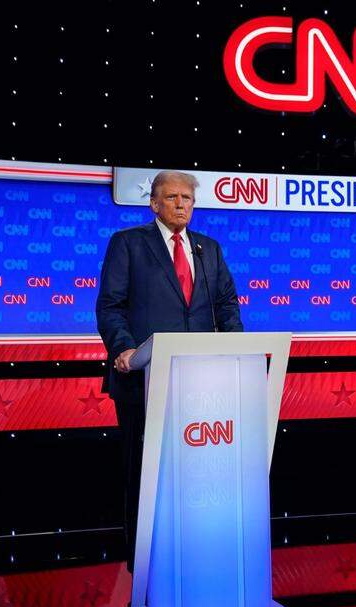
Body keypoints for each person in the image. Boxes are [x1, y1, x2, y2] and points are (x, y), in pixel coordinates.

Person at [95, 170, 243, 572]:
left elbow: (226, 305)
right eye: (172, 197)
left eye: (187, 198)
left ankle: (192, 552)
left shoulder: (208, 249)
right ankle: (143, 564)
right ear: (154, 203)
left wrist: (235, 347)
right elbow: (110, 305)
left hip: (201, 384)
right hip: (143, 380)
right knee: (144, 472)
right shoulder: (128, 243)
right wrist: (124, 348)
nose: (181, 204)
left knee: (194, 471)